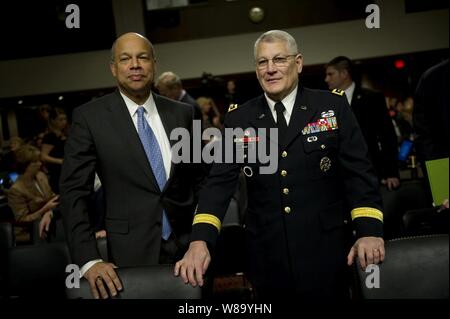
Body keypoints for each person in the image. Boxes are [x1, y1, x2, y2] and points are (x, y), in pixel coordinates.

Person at [175, 30, 385, 299]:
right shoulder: (241, 119)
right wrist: (199, 239)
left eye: (279, 59)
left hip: (328, 252)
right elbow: (218, 183)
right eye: (262, 62)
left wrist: (369, 231)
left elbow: (359, 174)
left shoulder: (331, 107)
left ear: (297, 63)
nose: (270, 69)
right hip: (267, 257)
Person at [60, 32, 206, 299]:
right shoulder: (89, 118)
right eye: (125, 59)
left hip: (189, 249)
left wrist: (202, 239)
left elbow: (202, 182)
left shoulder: (184, 113)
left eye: (142, 57)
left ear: (153, 64)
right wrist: (89, 260)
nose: (135, 65)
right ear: (113, 68)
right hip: (129, 254)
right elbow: (73, 194)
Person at [325, 56, 400, 190]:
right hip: (338, 175)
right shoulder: (327, 102)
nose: (327, 79)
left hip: (369, 170)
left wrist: (391, 172)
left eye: (331, 74)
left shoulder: (372, 98)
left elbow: (387, 135)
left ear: (344, 74)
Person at [7, 145, 59, 243]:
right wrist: (45, 209)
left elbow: (51, 195)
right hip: (29, 231)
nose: (40, 163)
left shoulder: (41, 176)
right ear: (25, 165)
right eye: (35, 162)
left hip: (49, 221)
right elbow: (22, 220)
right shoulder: (16, 190)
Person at [40, 107, 68, 193]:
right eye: (60, 119)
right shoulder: (50, 137)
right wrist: (61, 161)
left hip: (66, 171)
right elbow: (43, 156)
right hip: (57, 174)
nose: (64, 122)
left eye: (65, 119)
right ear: (53, 120)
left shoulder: (65, 134)